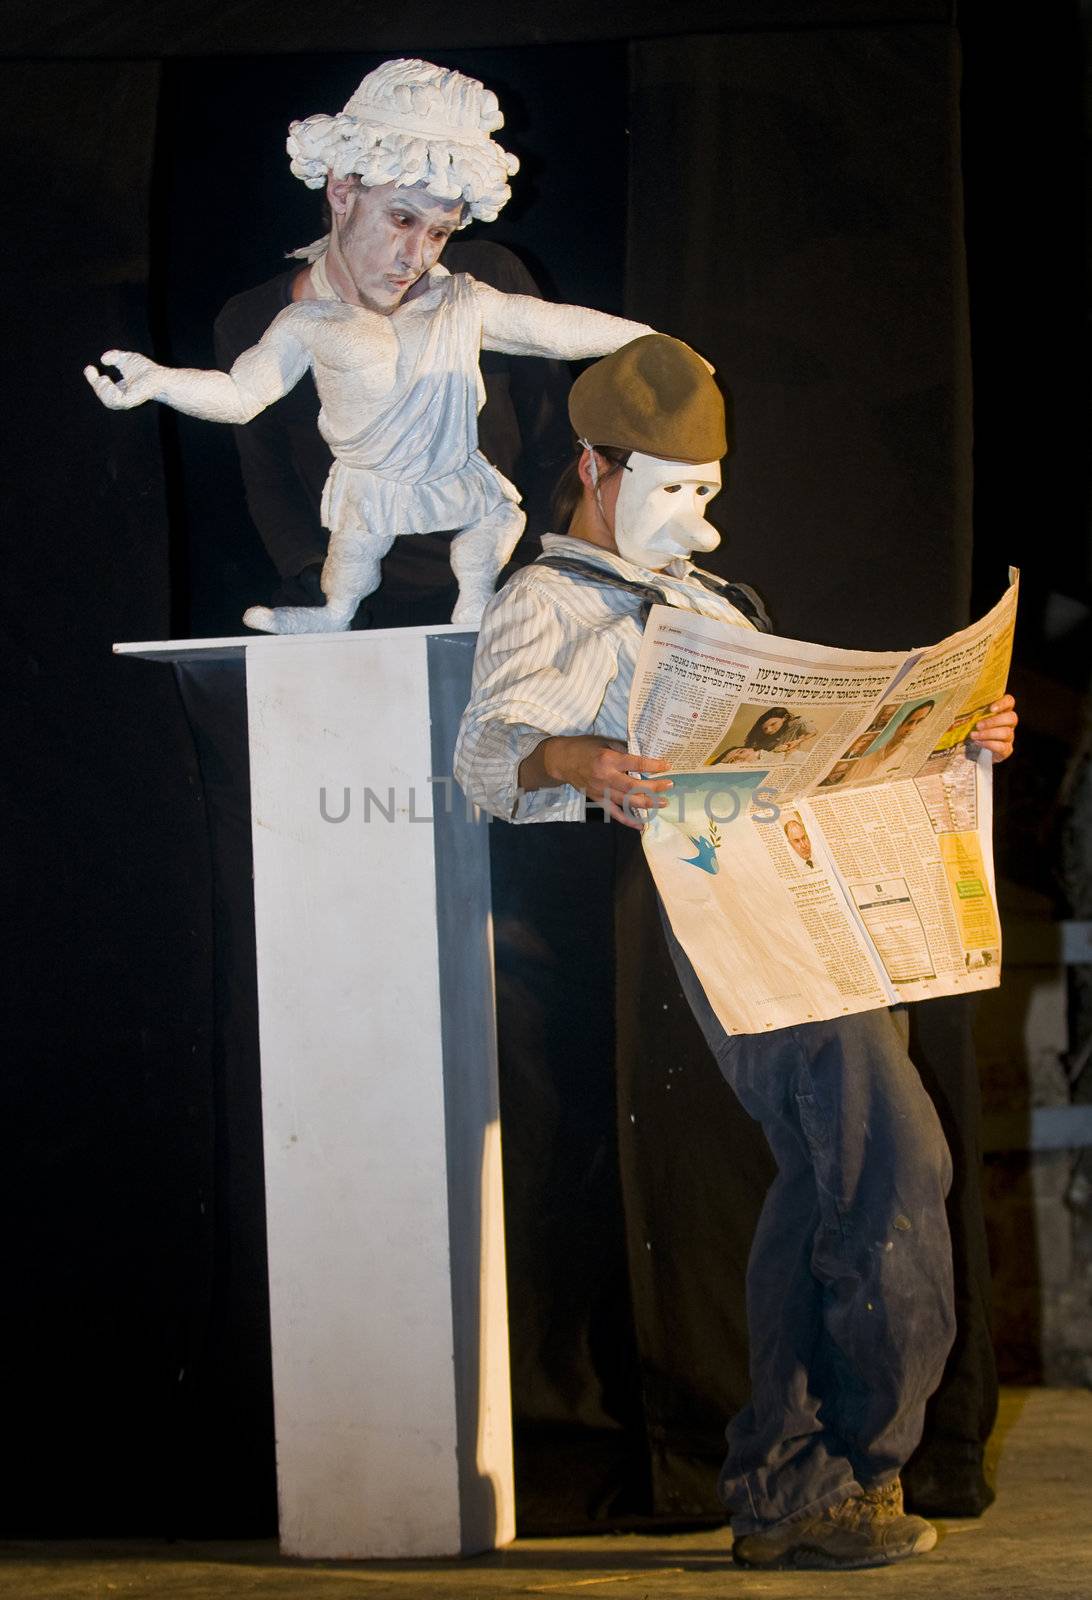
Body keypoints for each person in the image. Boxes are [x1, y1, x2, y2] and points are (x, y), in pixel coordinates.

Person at [455, 334, 1018, 1570]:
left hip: (832, 893)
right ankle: (832, 1468)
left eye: (710, 492)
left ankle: (790, 1482)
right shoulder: (546, 600)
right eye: (672, 489)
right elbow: (485, 755)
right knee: (889, 1161)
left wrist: (954, 732)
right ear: (596, 470)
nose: (698, 515)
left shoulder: (715, 601)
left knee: (835, 1175)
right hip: (730, 911)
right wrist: (577, 759)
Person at [84, 57, 654, 633]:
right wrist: (157, 382)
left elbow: (554, 395)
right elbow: (263, 463)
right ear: (341, 191)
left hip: (501, 577)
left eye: (438, 233)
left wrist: (649, 343)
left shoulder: (476, 287)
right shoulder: (269, 318)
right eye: (400, 219)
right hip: (359, 578)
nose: (416, 256)